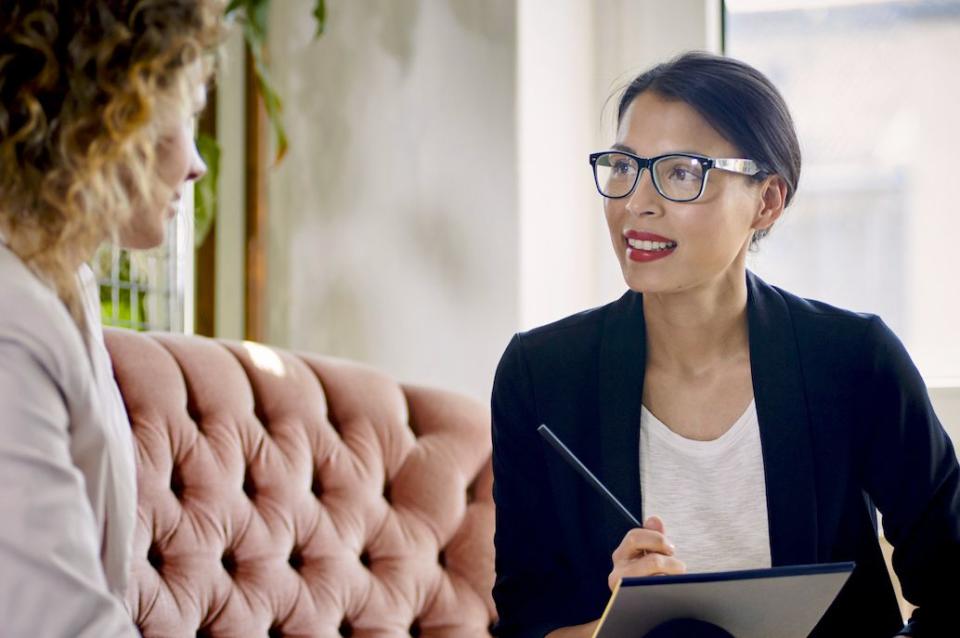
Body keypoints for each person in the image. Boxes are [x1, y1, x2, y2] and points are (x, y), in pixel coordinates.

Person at [491, 51, 960, 637]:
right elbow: (523, 624)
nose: (638, 201)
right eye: (623, 166)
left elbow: (954, 586)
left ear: (767, 201)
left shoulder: (854, 360)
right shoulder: (541, 376)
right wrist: (618, 624)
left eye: (682, 172)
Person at [0, 1, 221, 634]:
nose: (198, 163)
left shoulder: (65, 284)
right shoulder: (13, 320)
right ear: (109, 115)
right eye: (188, 117)